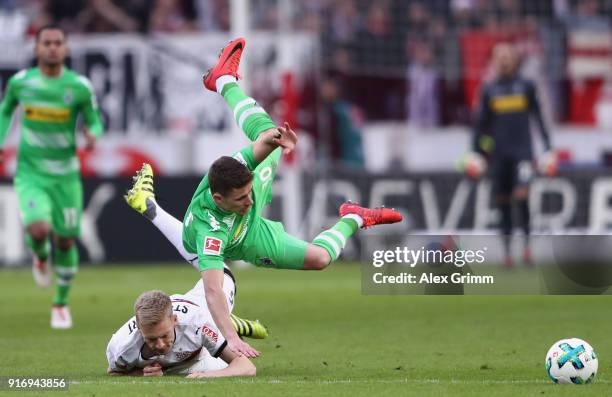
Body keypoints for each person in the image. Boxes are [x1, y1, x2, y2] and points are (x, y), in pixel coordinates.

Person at [125, 37, 403, 359]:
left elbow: (263, 143)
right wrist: (230, 340)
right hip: (243, 241)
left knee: (268, 135)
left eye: (248, 193)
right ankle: (354, 217)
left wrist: (281, 140)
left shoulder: (242, 174)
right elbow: (213, 289)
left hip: (249, 224)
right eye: (241, 197)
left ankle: (224, 80)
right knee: (314, 261)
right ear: (219, 197)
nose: (251, 200)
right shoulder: (210, 230)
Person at [0, 25, 104, 328]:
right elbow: (6, 112)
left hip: (66, 177)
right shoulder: (22, 83)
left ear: (66, 48)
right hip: (31, 173)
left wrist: (92, 135)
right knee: (38, 230)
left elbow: (96, 122)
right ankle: (40, 257)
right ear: (37, 48)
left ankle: (60, 303)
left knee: (66, 240)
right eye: (47, 43)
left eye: (58, 42)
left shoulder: (80, 87)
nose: (53, 48)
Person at [470, 42, 553, 267]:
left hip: (522, 153)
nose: (504, 60)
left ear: (515, 60)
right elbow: (480, 125)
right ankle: (507, 253)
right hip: (498, 155)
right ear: (495, 61)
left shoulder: (526, 86)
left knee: (522, 196)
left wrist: (547, 148)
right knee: (503, 202)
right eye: (500, 56)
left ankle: (527, 248)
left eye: (508, 56)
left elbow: (539, 118)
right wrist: (475, 154)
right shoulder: (488, 90)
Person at [106, 281, 256, 378]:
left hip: (208, 302)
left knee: (219, 277)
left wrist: (208, 376)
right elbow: (113, 372)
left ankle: (226, 323)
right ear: (139, 330)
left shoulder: (198, 323)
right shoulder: (121, 346)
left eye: (165, 335)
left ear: (175, 320)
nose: (160, 345)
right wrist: (141, 373)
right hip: (186, 358)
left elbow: (247, 367)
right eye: (151, 338)